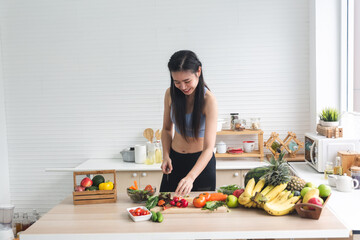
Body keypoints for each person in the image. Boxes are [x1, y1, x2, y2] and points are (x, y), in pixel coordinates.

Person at [160, 50, 218, 196]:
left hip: (200, 166)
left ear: (198, 71)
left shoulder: (208, 100)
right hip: (175, 162)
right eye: (177, 82)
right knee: (164, 208)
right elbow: (167, 129)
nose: (183, 87)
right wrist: (166, 155)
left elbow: (209, 147)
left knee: (200, 215)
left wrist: (191, 177)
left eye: (187, 81)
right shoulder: (170, 94)